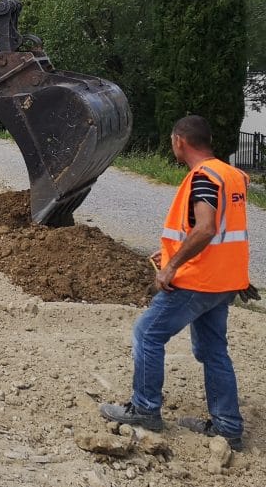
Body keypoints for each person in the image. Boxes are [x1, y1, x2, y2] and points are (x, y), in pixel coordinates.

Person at [99, 115, 251, 450]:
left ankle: (144, 408)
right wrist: (172, 250)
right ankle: (227, 427)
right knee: (213, 350)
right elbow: (216, 228)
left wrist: (171, 268)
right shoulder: (230, 174)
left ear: (179, 141)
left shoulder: (202, 177)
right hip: (225, 280)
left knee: (147, 334)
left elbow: (207, 227)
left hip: (198, 280)